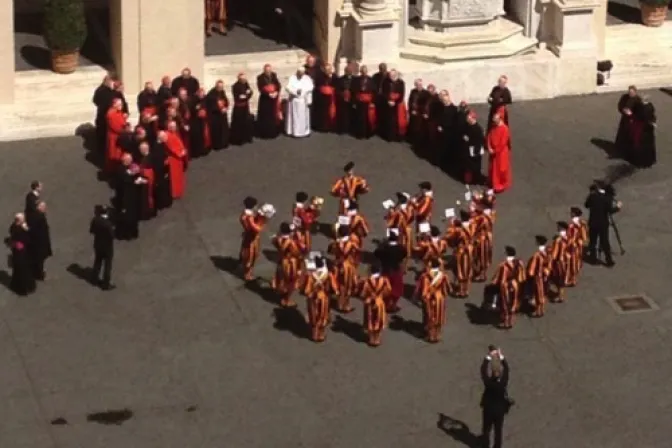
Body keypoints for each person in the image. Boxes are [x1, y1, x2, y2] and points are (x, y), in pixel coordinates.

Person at [584, 182, 622, 267]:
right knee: (605, 241)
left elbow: (586, 205)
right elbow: (610, 211)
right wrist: (618, 207)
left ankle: (593, 258)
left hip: (593, 222)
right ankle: (609, 261)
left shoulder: (592, 196)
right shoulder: (607, 198)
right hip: (603, 224)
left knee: (593, 241)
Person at [480, 347, 511, 448]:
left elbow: (483, 370)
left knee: (486, 429)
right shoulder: (503, 383)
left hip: (488, 409)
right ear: (500, 374)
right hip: (499, 410)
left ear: (492, 373)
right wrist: (501, 356)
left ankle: (485, 444)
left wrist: (489, 356)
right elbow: (507, 369)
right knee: (498, 430)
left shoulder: (488, 383)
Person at [301, 256, 336, 342]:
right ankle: (321, 334)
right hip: (323, 297)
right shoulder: (328, 275)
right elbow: (333, 287)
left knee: (313, 315)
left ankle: (314, 334)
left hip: (313, 297)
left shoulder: (310, 275)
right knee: (322, 315)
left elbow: (306, 289)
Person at [415, 259, 449, 343]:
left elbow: (422, 289)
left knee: (429, 315)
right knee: (438, 315)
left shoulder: (425, 276)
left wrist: (419, 296)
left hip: (429, 297)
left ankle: (430, 335)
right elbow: (447, 288)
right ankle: (437, 335)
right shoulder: (443, 275)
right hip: (439, 297)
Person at [271, 222, 305, 307]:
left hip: (281, 260)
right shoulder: (291, 242)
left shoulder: (277, 239)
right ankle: (286, 300)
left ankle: (281, 291)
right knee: (291, 281)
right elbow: (297, 253)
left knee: (281, 278)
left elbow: (275, 242)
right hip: (290, 263)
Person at [491, 246, 525, 329]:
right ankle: (511, 320)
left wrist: (495, 283)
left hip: (505, 285)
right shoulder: (518, 263)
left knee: (505, 303)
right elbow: (522, 276)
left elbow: (499, 278)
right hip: (515, 284)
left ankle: (506, 322)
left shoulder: (503, 265)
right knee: (513, 301)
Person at [327, 225, 359, 313]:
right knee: (348, 285)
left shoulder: (335, 243)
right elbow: (357, 253)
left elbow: (329, 251)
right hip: (348, 265)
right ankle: (345, 305)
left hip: (337, 264)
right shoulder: (352, 244)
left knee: (340, 284)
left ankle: (339, 303)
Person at [374, 232, 406, 313]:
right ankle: (393, 304)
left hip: (386, 270)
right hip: (396, 270)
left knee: (385, 288)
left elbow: (376, 253)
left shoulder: (384, 249)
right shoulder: (400, 248)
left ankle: (386, 303)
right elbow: (404, 255)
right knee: (397, 289)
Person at [360, 263, 391, 347]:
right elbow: (388, 290)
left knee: (370, 319)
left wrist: (367, 297)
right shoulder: (384, 280)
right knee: (378, 320)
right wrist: (381, 296)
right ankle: (377, 339)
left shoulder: (367, 281)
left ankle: (371, 339)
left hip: (369, 302)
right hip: (379, 302)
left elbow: (363, 293)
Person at [239, 197, 269, 280]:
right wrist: (264, 219)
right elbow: (257, 229)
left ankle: (247, 270)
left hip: (249, 236)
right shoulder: (249, 217)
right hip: (251, 239)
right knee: (251, 256)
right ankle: (247, 274)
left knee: (249, 254)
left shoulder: (246, 214)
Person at [115, 153, 144, 240]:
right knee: (128, 218)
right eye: (129, 160)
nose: (131, 161)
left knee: (134, 217)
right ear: (125, 160)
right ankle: (127, 234)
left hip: (132, 196)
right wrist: (134, 181)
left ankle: (134, 232)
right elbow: (124, 181)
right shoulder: (120, 170)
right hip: (126, 198)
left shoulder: (130, 167)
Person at [445, 212, 473, 298]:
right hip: (470, 250)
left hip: (461, 251)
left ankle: (461, 291)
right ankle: (466, 289)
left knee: (460, 270)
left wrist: (451, 224)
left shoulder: (459, 230)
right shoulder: (472, 225)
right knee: (468, 269)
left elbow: (449, 237)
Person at [7, 213, 36, 296]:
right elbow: (28, 239)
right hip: (21, 253)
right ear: (19, 221)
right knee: (22, 270)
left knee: (19, 270)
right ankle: (23, 288)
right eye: (23, 219)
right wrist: (26, 230)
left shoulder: (13, 227)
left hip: (18, 252)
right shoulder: (20, 230)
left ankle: (21, 287)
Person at [89, 206, 115, 290]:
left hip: (98, 244)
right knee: (107, 265)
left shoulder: (95, 220)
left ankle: (94, 278)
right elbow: (112, 235)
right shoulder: (108, 224)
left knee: (97, 261)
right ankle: (106, 284)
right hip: (107, 247)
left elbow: (92, 231)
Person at [285, 67, 314, 138]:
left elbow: (311, 87)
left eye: (302, 73)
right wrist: (295, 91)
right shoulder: (292, 78)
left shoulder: (307, 78)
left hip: (303, 101)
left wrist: (303, 91)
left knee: (304, 117)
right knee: (295, 117)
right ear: (297, 72)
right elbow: (288, 87)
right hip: (294, 101)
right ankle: (294, 132)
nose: (300, 75)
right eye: (299, 73)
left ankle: (304, 131)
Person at [380, 69, 408, 142]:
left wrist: (396, 102)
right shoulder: (385, 82)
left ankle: (396, 136)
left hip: (397, 104)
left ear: (396, 75)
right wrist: (388, 100)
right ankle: (389, 136)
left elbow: (402, 94)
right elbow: (383, 92)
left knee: (396, 120)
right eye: (391, 75)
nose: (392, 76)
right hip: (388, 103)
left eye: (393, 75)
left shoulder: (401, 83)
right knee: (388, 120)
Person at [27, 201, 52, 281]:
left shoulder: (36, 215)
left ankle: (37, 272)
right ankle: (39, 274)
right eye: (44, 208)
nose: (45, 209)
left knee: (38, 259)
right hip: (40, 243)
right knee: (40, 260)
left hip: (38, 242)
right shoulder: (39, 217)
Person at [486, 113, 512, 193]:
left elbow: (503, 143)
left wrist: (494, 150)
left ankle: (500, 185)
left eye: (495, 119)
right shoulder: (494, 126)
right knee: (493, 168)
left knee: (500, 169)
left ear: (499, 119)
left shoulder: (505, 129)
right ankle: (493, 182)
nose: (493, 121)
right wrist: (489, 147)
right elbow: (489, 136)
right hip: (494, 151)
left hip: (501, 153)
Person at [526, 235, 551, 317]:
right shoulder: (548, 251)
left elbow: (531, 270)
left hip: (538, 276)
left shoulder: (537, 255)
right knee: (543, 292)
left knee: (538, 294)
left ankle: (538, 311)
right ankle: (542, 309)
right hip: (546, 275)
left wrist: (529, 274)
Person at [615, 85, 641, 160]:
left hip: (633, 120)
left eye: (632, 92)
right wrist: (623, 110)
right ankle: (620, 147)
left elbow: (639, 111)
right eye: (629, 92)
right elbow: (620, 105)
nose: (630, 94)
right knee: (622, 133)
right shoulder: (624, 97)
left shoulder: (638, 100)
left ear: (635, 92)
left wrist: (632, 114)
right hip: (625, 119)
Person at [352, 65, 377, 139]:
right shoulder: (356, 80)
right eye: (362, 71)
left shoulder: (371, 80)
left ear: (367, 71)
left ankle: (367, 134)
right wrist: (354, 102)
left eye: (365, 71)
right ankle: (359, 134)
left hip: (368, 102)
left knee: (368, 118)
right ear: (360, 71)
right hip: (359, 101)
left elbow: (374, 92)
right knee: (359, 118)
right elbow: (353, 91)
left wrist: (373, 102)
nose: (364, 72)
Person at [632, 95, 657, 168]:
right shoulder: (646, 106)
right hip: (645, 129)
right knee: (644, 145)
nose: (641, 101)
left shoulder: (648, 107)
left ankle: (645, 162)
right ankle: (646, 161)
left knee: (645, 146)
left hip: (645, 129)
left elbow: (650, 117)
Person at [230, 73, 254, 145]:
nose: (243, 80)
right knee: (239, 124)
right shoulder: (235, 86)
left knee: (247, 122)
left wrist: (246, 95)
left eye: (244, 79)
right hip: (238, 108)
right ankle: (239, 140)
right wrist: (246, 95)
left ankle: (247, 137)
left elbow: (250, 92)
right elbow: (238, 97)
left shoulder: (246, 83)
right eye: (242, 79)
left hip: (245, 107)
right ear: (238, 79)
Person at [93, 76, 116, 152]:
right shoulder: (108, 91)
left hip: (100, 114)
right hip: (105, 115)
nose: (111, 84)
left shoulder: (98, 90)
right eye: (110, 82)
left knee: (100, 132)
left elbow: (95, 100)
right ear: (106, 82)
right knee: (104, 133)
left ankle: (99, 148)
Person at [165, 122, 188, 199]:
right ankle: (175, 193)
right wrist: (181, 153)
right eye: (172, 127)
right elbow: (171, 148)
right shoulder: (168, 135)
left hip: (178, 158)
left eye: (174, 126)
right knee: (175, 177)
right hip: (174, 159)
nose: (173, 128)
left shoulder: (174, 133)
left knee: (179, 176)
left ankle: (178, 191)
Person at [313, 63, 338, 133]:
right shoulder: (320, 76)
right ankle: (323, 127)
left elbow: (337, 86)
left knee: (331, 112)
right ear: (324, 70)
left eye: (329, 69)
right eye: (326, 69)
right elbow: (317, 86)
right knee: (322, 113)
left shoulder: (334, 76)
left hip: (331, 97)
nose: (328, 71)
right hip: (322, 98)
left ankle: (331, 126)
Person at [549, 221, 571, 302]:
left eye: (558, 226)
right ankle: (560, 295)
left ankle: (560, 296)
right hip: (565, 261)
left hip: (558, 262)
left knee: (558, 279)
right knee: (562, 278)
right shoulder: (568, 236)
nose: (557, 228)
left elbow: (554, 254)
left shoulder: (558, 240)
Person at [566, 207, 587, 287]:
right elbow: (584, 237)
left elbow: (569, 236)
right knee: (576, 262)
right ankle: (573, 278)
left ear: (574, 214)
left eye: (571, 212)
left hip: (572, 246)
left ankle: (572, 279)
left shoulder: (571, 225)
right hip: (578, 246)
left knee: (572, 262)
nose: (570, 213)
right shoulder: (582, 223)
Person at [462, 111, 485, 185]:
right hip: (469, 149)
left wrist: (476, 151)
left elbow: (479, 141)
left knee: (475, 166)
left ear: (472, 118)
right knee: (469, 165)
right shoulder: (468, 126)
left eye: (468, 118)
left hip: (475, 150)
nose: (467, 119)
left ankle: (475, 179)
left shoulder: (478, 129)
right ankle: (470, 179)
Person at [105, 98, 128, 174]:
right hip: (114, 138)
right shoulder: (111, 114)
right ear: (114, 105)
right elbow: (117, 128)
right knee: (114, 154)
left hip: (118, 136)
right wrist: (126, 129)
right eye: (119, 104)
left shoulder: (117, 112)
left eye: (121, 104)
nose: (121, 106)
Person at [206, 80, 230, 150]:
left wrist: (226, 107)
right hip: (215, 116)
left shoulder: (222, 92)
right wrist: (219, 110)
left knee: (224, 129)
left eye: (222, 87)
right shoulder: (211, 94)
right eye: (219, 87)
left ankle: (224, 143)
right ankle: (217, 145)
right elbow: (210, 105)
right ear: (216, 86)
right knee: (216, 131)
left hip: (222, 114)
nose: (220, 88)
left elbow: (225, 100)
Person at [336, 63, 356, 135]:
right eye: (347, 70)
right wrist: (342, 94)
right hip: (342, 99)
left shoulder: (356, 79)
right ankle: (343, 129)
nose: (349, 72)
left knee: (352, 114)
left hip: (352, 99)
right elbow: (337, 89)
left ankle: (351, 129)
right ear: (345, 71)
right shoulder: (340, 79)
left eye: (350, 70)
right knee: (343, 115)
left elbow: (357, 90)